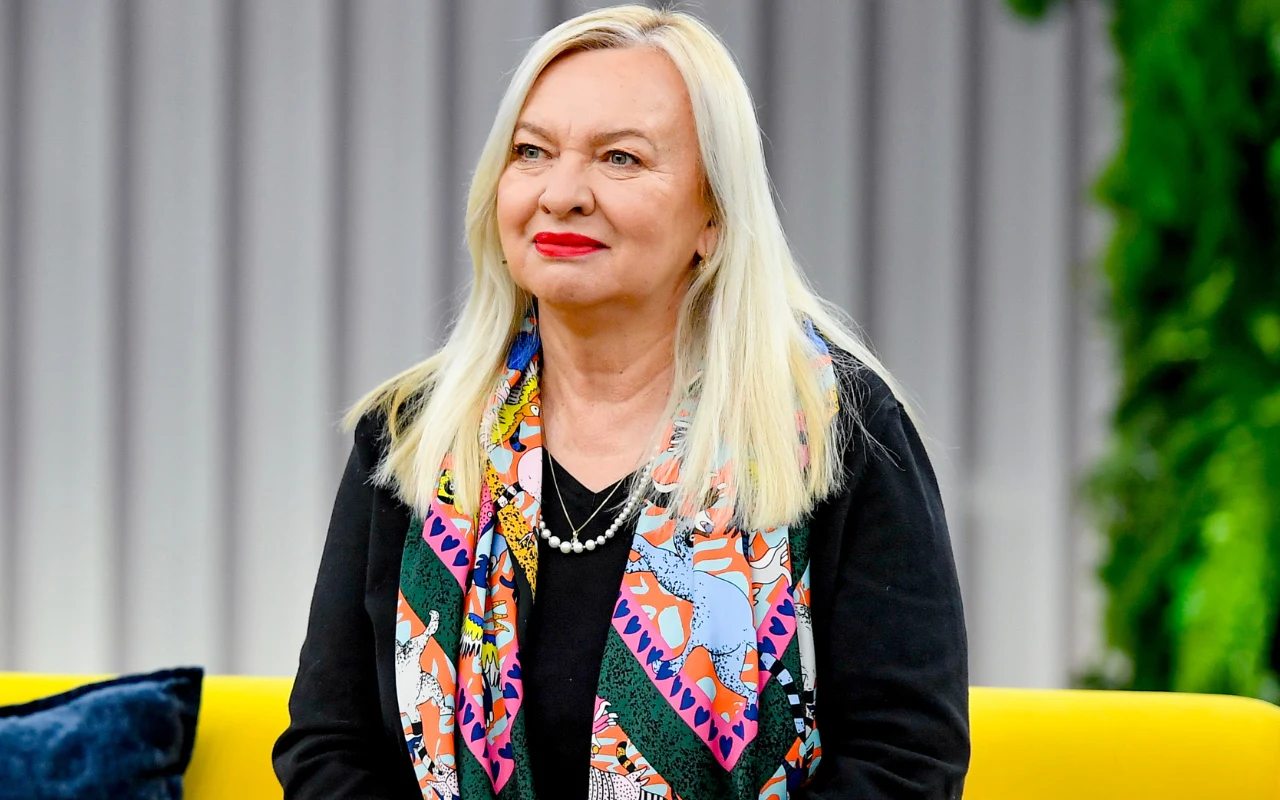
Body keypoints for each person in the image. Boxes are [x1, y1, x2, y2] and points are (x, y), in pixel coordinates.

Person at [272, 5, 969, 799]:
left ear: (714, 214)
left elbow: (904, 761)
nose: (562, 193)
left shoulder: (836, 432)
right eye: (532, 152)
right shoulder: (415, 434)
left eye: (621, 158)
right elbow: (329, 749)